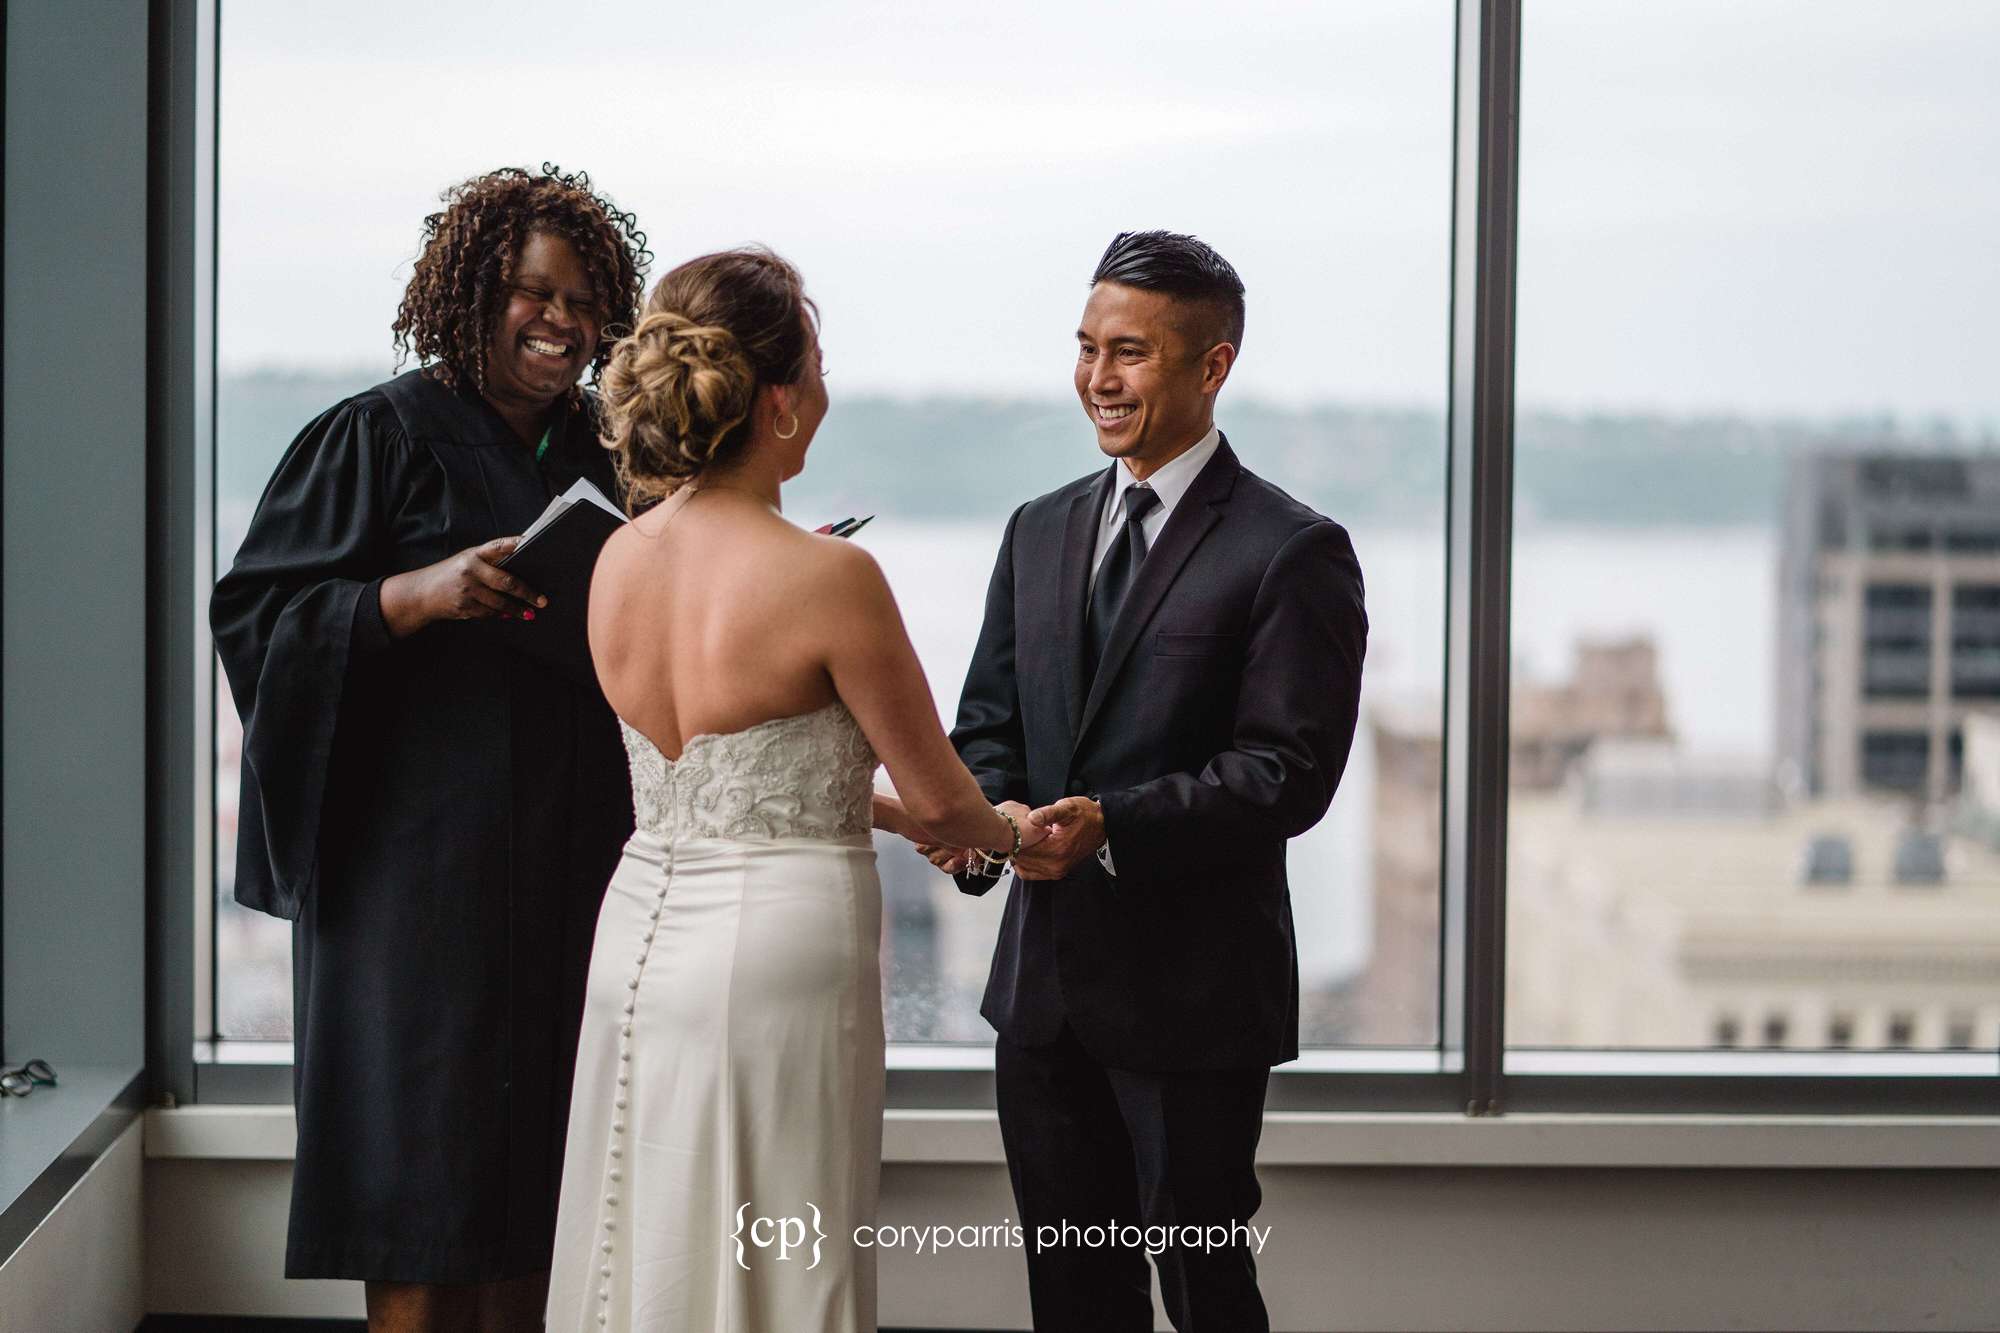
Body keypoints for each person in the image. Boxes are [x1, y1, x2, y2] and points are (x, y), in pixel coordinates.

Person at [543, 246, 1045, 1332]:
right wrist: (1007, 832)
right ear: (774, 399)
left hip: (635, 935)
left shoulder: (616, 559)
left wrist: (894, 811)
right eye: (815, 368)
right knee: (780, 1238)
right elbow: (947, 795)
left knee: (648, 1228)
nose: (824, 393)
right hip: (778, 948)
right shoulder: (831, 577)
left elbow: (717, 767)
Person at [211, 165, 650, 1332]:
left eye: (584, 300)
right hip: (413, 896)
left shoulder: (606, 460)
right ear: (467, 295)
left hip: (570, 878)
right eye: (531, 292)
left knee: (546, 1186)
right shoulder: (375, 437)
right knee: (419, 1184)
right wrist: (412, 595)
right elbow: (258, 617)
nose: (560, 321)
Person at [924, 230, 1369, 1332]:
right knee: (1072, 1301)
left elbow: (1286, 775)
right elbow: (988, 726)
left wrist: (1109, 825)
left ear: (1211, 366)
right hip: (1040, 1005)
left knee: (1209, 1295)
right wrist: (980, 821)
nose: (1097, 378)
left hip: (1195, 1003)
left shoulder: (1290, 548)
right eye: (1084, 348)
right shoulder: (1036, 530)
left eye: (1128, 352)